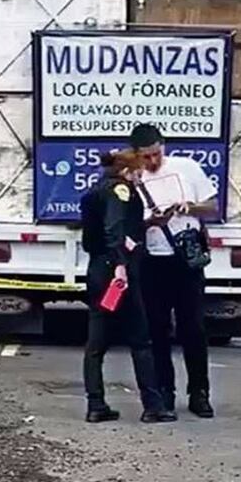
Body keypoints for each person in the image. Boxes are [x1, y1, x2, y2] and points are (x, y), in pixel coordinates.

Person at [79, 150, 175, 424]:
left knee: (96, 343)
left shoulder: (95, 189)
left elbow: (107, 229)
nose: (141, 175)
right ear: (127, 171)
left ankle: (95, 404)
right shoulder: (121, 190)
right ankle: (153, 405)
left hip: (98, 269)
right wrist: (120, 265)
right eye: (138, 170)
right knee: (140, 340)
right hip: (118, 272)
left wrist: (147, 224)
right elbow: (115, 228)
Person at [130, 124, 217, 419]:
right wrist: (149, 222)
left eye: (156, 154)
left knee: (193, 327)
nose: (152, 162)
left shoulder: (187, 168)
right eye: (146, 157)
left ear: (163, 147)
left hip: (185, 258)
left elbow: (213, 206)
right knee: (157, 329)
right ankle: (165, 392)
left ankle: (199, 392)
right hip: (153, 259)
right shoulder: (134, 180)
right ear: (137, 156)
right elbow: (129, 225)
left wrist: (190, 207)